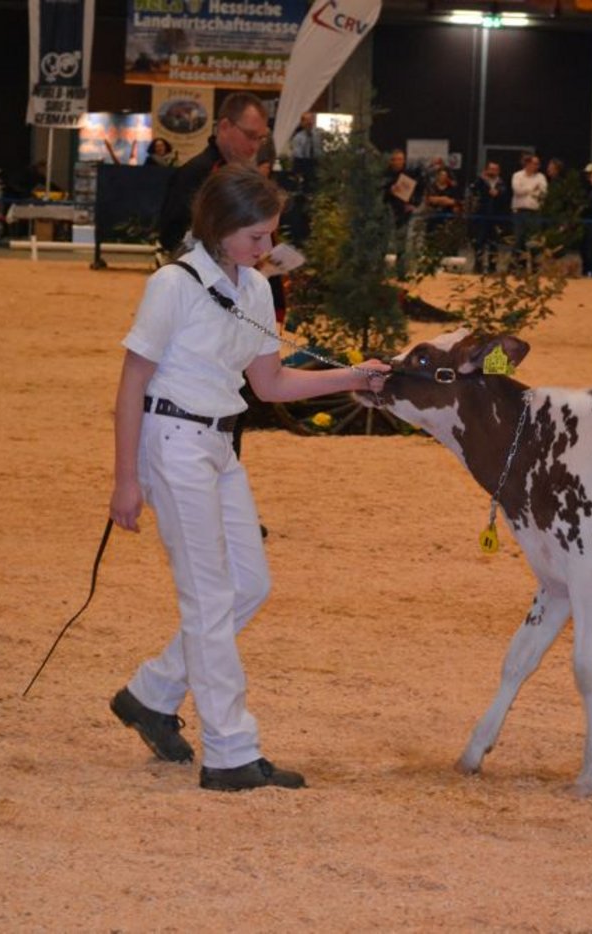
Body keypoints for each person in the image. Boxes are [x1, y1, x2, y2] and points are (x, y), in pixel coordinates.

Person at [108, 164, 390, 792]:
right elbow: (130, 386)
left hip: (220, 444)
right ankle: (231, 752)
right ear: (220, 225)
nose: (268, 250)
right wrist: (126, 478)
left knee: (249, 586)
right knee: (208, 600)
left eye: (271, 236)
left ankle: (151, 693)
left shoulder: (257, 291)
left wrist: (354, 376)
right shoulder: (172, 285)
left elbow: (270, 384)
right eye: (256, 237)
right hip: (172, 443)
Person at [157, 91, 270, 254]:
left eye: (261, 138)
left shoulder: (248, 177)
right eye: (250, 135)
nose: (255, 146)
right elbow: (170, 235)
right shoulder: (196, 173)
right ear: (224, 126)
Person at [469, 160, 509, 274]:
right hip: (481, 216)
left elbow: (505, 196)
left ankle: (492, 266)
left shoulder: (501, 183)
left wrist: (498, 193)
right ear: (486, 169)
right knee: (479, 241)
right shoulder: (480, 181)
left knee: (494, 243)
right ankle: (478, 264)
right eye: (491, 169)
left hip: (496, 217)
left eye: (495, 169)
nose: (493, 171)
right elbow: (473, 192)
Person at [510, 154, 548, 255]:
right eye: (535, 163)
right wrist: (532, 188)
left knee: (534, 241)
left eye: (538, 164)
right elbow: (517, 191)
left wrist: (527, 189)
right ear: (527, 164)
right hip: (520, 212)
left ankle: (535, 268)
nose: (537, 166)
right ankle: (515, 267)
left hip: (535, 212)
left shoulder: (541, 177)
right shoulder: (517, 175)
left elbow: (543, 192)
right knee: (519, 239)